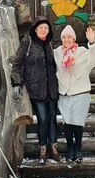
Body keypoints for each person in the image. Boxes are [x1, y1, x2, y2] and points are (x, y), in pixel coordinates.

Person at [10, 17, 60, 164]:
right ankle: (43, 150)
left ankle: (54, 148)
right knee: (43, 119)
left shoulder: (50, 44)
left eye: (46, 28)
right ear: (35, 29)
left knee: (52, 119)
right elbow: (17, 64)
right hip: (36, 89)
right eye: (41, 28)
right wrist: (16, 83)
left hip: (51, 89)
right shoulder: (28, 42)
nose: (44, 30)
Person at [54, 25, 95, 162]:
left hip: (81, 92)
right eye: (64, 37)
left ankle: (78, 148)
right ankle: (70, 148)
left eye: (69, 37)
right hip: (65, 93)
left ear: (74, 38)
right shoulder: (57, 52)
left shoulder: (82, 51)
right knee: (68, 123)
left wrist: (92, 43)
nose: (66, 39)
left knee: (78, 123)